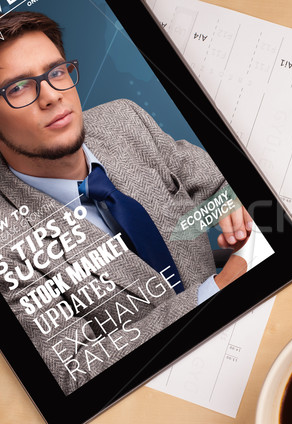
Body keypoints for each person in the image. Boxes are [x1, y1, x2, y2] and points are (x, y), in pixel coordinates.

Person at [0, 12, 251, 394]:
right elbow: (72, 371)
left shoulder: (124, 118)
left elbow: (218, 183)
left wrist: (233, 206)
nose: (52, 96)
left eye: (56, 72)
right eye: (17, 88)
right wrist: (212, 294)